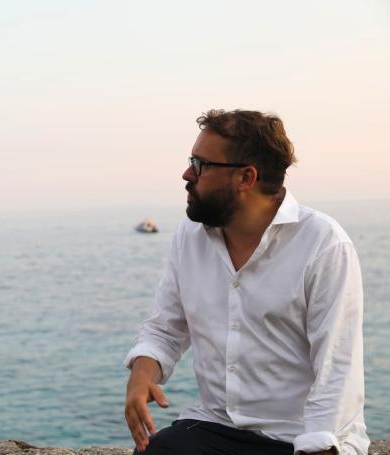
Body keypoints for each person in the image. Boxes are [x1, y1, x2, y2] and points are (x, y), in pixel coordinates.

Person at [123, 110, 368, 455]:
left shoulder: (323, 244)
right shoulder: (190, 236)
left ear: (246, 177)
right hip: (216, 425)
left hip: (298, 435)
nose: (187, 174)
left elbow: (337, 367)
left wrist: (319, 445)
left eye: (200, 164)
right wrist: (141, 375)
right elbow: (165, 329)